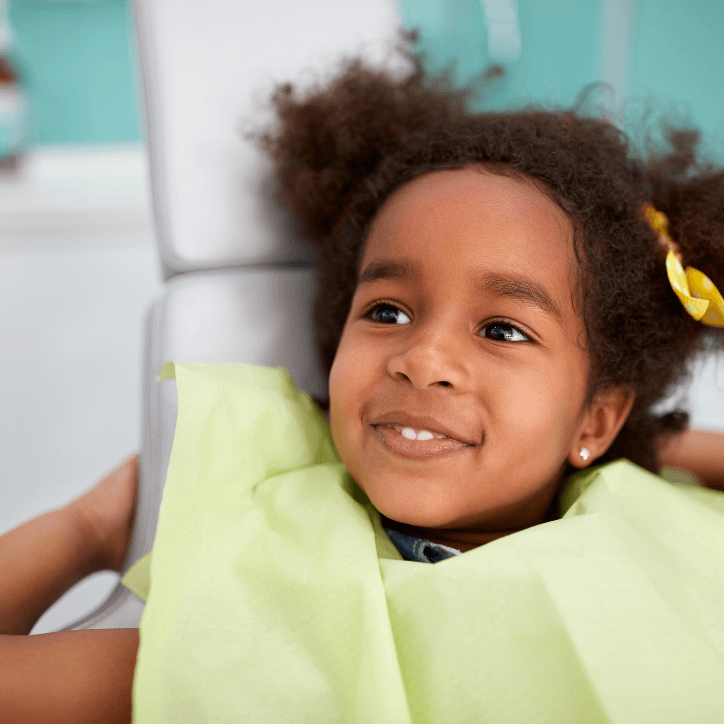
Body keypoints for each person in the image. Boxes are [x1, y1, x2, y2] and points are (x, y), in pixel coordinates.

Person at [1, 54, 724, 723]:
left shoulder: (657, 532)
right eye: (387, 311)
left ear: (598, 419)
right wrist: (90, 529)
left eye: (502, 330)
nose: (421, 357)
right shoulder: (259, 611)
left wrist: (651, 447)